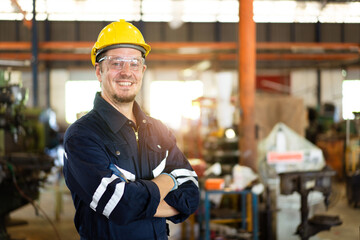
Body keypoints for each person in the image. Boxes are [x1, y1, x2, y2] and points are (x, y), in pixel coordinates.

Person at [63, 19, 200, 240]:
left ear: (142, 70)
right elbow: (120, 205)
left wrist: (136, 196)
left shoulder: (159, 130)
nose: (127, 72)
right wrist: (169, 181)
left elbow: (191, 194)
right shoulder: (82, 136)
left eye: (134, 63)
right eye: (116, 62)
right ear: (99, 71)